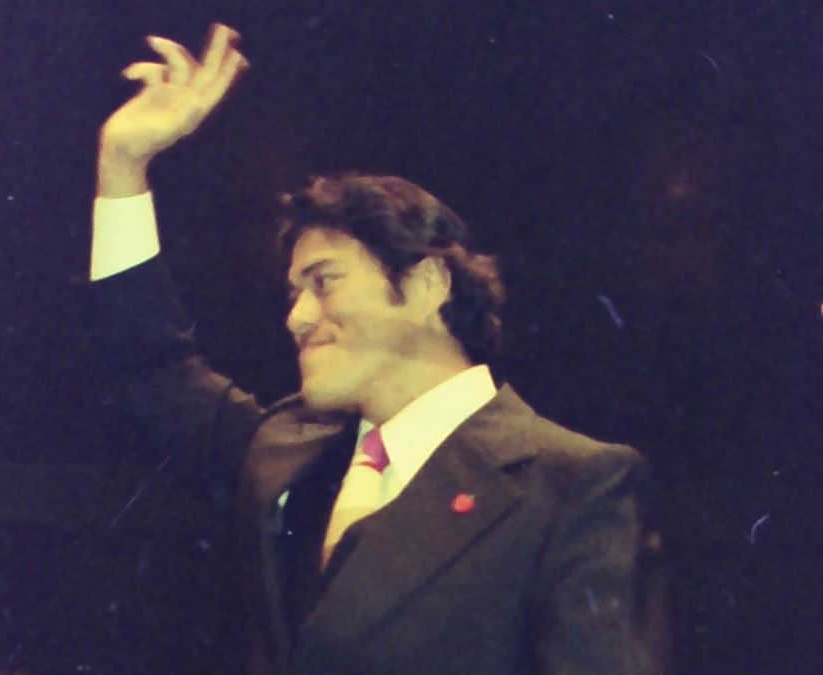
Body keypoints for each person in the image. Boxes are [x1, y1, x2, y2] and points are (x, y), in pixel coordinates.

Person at [81, 23, 667, 675]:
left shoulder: (568, 484)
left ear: (423, 286)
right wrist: (122, 166)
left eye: (324, 281)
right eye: (292, 292)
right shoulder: (286, 448)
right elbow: (150, 368)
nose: (298, 317)